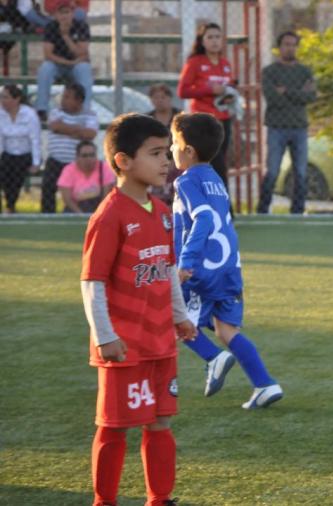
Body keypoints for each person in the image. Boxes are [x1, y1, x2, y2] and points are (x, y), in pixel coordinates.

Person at [80, 113, 196, 506]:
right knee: (114, 427)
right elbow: (92, 281)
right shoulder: (109, 216)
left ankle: (159, 498)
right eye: (156, 153)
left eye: (167, 152)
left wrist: (179, 316)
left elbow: (166, 271)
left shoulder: (162, 214)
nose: (166, 162)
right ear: (123, 162)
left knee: (160, 420)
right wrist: (105, 335)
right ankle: (104, 501)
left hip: (160, 340)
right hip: (124, 346)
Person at [170, 111, 283, 409]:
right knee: (226, 330)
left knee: (175, 317)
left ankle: (213, 357)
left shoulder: (185, 182)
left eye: (173, 143)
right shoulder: (216, 180)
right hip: (229, 266)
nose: (170, 150)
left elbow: (204, 218)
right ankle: (265, 384)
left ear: (188, 150)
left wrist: (186, 262)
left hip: (200, 266)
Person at [257, 30, 317, 215]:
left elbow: (311, 97)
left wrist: (287, 92)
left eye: (293, 44)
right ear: (279, 47)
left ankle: (297, 211)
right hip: (277, 127)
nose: (290, 48)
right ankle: (263, 209)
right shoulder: (270, 72)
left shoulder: (305, 71)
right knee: (272, 171)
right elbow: (272, 98)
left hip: (299, 127)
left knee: (300, 172)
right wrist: (297, 94)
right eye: (286, 44)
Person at [177, 22, 235, 187]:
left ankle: (215, 201)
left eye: (218, 37)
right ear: (202, 41)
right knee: (215, 164)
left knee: (220, 162)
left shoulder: (225, 63)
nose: (215, 41)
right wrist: (209, 89)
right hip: (204, 122)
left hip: (224, 120)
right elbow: (183, 91)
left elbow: (227, 87)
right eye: (210, 37)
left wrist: (229, 96)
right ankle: (225, 207)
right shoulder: (195, 62)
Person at [41, 82, 98, 212]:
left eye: (67, 97)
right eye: (63, 96)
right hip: (56, 159)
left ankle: (76, 212)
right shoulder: (56, 112)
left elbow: (89, 134)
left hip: (77, 163)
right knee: (48, 186)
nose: (63, 100)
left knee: (79, 190)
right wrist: (78, 129)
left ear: (79, 100)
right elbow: (55, 127)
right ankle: (48, 216)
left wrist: (64, 128)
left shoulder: (90, 114)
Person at [35, 0, 93, 121]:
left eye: (67, 12)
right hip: (58, 64)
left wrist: (66, 36)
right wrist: (67, 62)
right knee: (45, 68)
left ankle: (85, 110)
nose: (64, 16)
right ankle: (41, 109)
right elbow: (48, 54)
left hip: (77, 64)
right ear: (55, 15)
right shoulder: (51, 26)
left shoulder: (81, 26)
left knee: (84, 68)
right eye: (61, 13)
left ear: (73, 13)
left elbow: (82, 53)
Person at [0, 84, 40, 213]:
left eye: (5, 97)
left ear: (16, 99)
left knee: (15, 171)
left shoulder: (29, 114)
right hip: (6, 153)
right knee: (5, 168)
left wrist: (36, 163)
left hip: (25, 154)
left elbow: (35, 139)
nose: (2, 100)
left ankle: (10, 205)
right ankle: (8, 206)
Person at [146, 83, 181, 206]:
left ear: (170, 98)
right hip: (154, 158)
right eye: (156, 97)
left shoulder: (180, 116)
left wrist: (174, 162)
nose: (159, 101)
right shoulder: (147, 119)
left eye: (163, 97)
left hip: (177, 159)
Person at [58, 139, 113, 213]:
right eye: (84, 156)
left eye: (92, 155)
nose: (89, 159)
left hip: (99, 207)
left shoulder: (104, 168)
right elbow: (67, 199)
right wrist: (80, 214)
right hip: (75, 207)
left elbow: (106, 196)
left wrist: (98, 213)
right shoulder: (69, 170)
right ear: (77, 157)